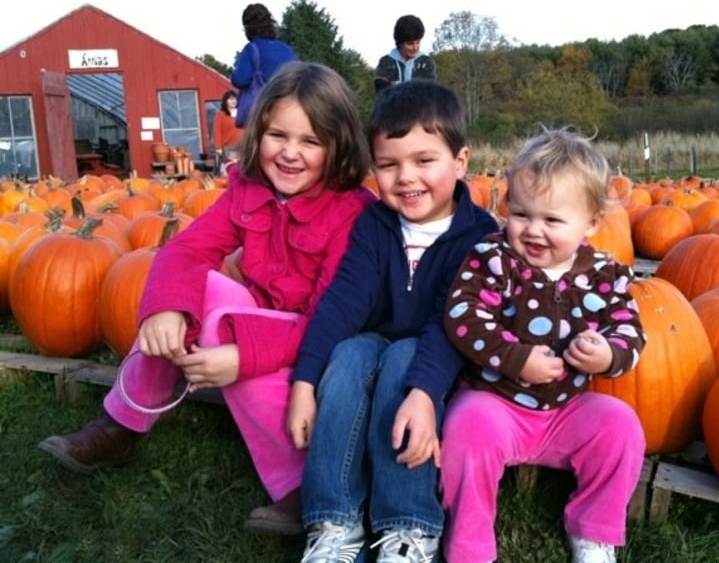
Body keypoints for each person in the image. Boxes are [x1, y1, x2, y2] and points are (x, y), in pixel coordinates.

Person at [37, 61, 376, 535]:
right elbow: (189, 248)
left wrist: (243, 357)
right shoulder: (248, 189)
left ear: (339, 146)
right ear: (259, 133)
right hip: (254, 319)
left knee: (229, 323)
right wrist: (165, 308)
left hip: (318, 344)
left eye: (312, 142)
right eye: (280, 135)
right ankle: (123, 424)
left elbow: (330, 320)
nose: (291, 154)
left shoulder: (353, 214)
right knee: (199, 287)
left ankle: (302, 482)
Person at [288, 80, 499, 563]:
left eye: (424, 161)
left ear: (460, 162)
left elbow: (453, 324)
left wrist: (424, 394)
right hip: (379, 344)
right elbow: (342, 303)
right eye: (388, 165)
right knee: (349, 351)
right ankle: (334, 523)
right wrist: (304, 382)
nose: (406, 178)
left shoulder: (480, 236)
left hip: (444, 358)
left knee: (405, 357)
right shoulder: (375, 224)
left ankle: (407, 528)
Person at [440, 127, 648, 563]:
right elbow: (463, 317)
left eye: (552, 221)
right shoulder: (492, 258)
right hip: (496, 401)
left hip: (567, 411)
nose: (533, 230)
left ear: (591, 222)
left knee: (621, 425)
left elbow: (630, 329)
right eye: (520, 214)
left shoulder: (604, 274)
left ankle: (593, 533)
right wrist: (516, 358)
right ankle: (470, 541)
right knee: (466, 426)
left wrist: (608, 353)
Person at [231, 3, 297, 127]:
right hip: (288, 110)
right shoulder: (287, 50)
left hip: (263, 112)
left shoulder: (252, 49)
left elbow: (240, 79)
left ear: (248, 27)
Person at [374, 15, 436, 94]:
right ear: (400, 43)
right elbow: (382, 93)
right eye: (410, 44)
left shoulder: (426, 62)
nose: (415, 47)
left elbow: (429, 92)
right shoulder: (386, 62)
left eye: (418, 42)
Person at [212, 90, 244, 174]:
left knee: (243, 170)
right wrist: (218, 147)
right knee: (232, 170)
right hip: (229, 148)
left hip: (242, 146)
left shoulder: (241, 113)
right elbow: (217, 130)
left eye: (235, 99)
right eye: (230, 99)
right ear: (225, 101)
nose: (233, 101)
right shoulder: (220, 115)